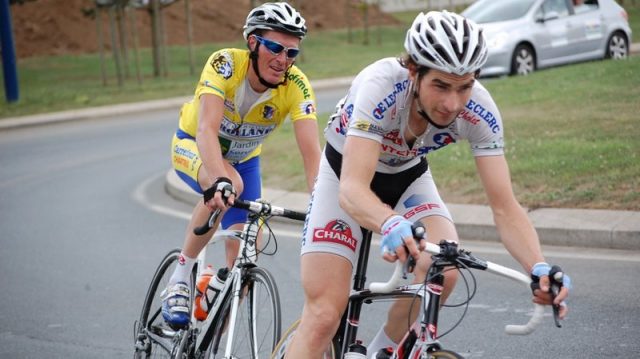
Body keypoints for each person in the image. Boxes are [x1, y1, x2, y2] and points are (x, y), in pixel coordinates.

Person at [284, 10, 572, 358]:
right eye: (440, 85)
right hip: (344, 172)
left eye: (464, 86)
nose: (452, 103)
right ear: (413, 72)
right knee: (324, 315)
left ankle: (382, 353)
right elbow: (353, 190)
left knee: (444, 271)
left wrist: (537, 267)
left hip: (408, 175)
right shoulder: (381, 85)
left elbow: (505, 207)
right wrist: (389, 221)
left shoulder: (480, 110)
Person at [162, 2, 321, 329]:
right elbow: (207, 129)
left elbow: (312, 155)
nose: (283, 60)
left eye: (292, 53)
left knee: (248, 254)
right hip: (194, 145)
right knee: (229, 185)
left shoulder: (297, 86)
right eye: (275, 48)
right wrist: (218, 178)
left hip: (244, 161)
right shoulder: (224, 64)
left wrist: (322, 203)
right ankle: (180, 276)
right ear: (252, 43)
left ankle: (213, 326)